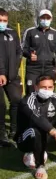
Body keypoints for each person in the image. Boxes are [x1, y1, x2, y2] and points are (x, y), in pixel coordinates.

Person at [22, 9, 56, 94]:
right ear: (39, 18)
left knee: (48, 93)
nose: (45, 20)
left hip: (49, 68)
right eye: (43, 17)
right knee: (31, 93)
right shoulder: (30, 31)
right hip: (33, 69)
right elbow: (23, 49)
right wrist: (29, 55)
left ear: (51, 19)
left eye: (48, 18)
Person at [0, 8, 22, 146]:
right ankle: (2, 135)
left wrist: (15, 69)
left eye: (4, 21)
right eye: (0, 20)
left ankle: (15, 130)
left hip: (12, 76)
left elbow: (18, 51)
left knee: (17, 101)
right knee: (1, 106)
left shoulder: (12, 33)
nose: (2, 23)